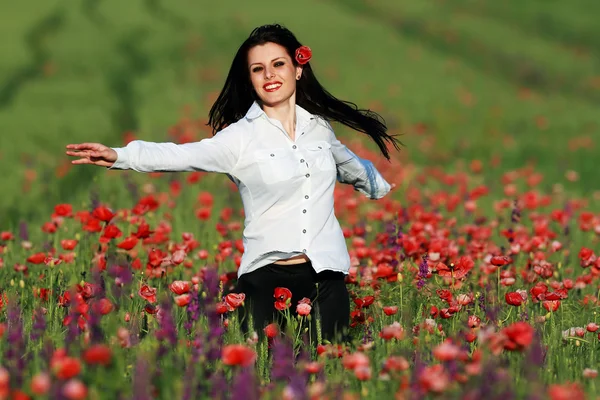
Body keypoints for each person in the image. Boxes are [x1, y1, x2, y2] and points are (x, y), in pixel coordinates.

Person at [66, 24, 401, 345]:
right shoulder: (240, 138)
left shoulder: (320, 129)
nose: (270, 75)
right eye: (258, 69)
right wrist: (119, 155)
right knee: (261, 374)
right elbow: (181, 155)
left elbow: (349, 165)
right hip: (264, 279)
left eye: (278, 64)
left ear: (298, 70)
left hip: (325, 279)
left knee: (328, 373)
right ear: (250, 79)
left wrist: (378, 187)